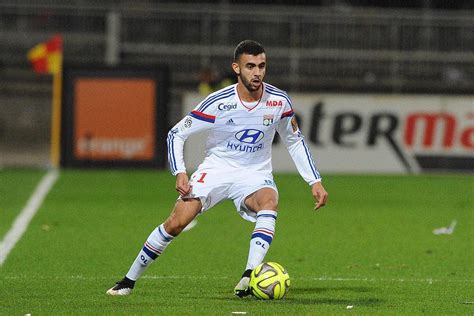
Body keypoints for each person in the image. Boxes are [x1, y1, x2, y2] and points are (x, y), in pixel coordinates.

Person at [106, 40, 328, 297]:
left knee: (269, 201)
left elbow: (294, 140)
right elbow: (176, 134)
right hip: (217, 169)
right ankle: (128, 280)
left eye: (262, 66)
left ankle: (249, 276)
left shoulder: (278, 101)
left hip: (255, 173)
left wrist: (314, 181)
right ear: (236, 68)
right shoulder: (219, 102)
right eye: (250, 66)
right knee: (177, 223)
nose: (257, 72)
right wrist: (179, 171)